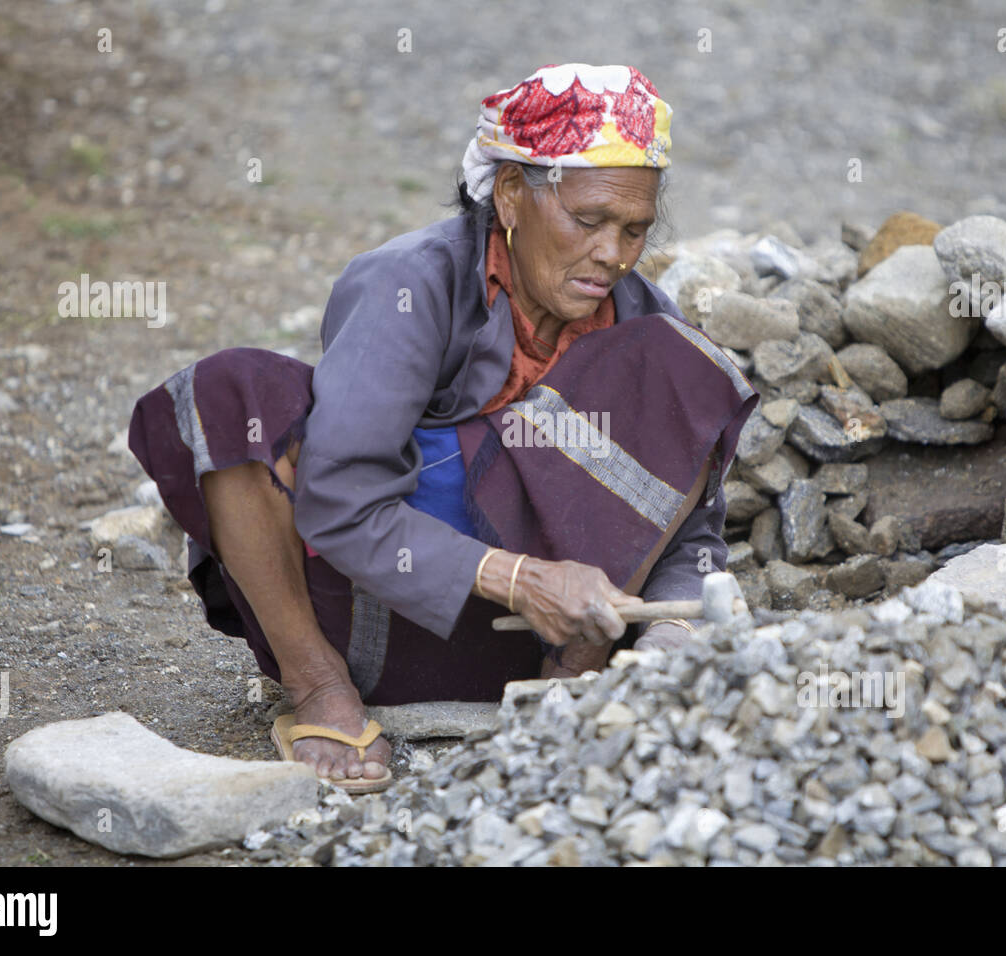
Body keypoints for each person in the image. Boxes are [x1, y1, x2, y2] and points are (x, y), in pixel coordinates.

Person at [128, 63, 757, 793]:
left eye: (635, 230)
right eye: (588, 221)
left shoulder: (645, 321)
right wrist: (522, 579)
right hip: (373, 627)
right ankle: (317, 689)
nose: (613, 254)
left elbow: (693, 537)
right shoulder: (411, 284)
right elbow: (339, 499)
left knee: (688, 369)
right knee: (234, 391)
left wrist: (672, 641)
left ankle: (565, 706)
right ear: (513, 197)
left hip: (551, 653)